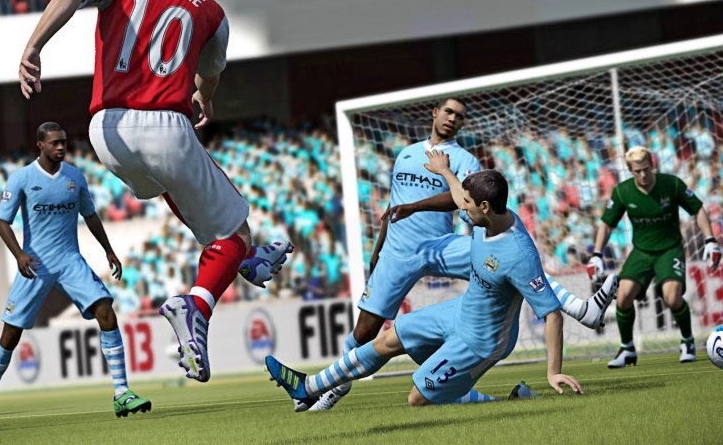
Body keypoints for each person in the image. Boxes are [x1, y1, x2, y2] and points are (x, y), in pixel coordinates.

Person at [16, 0, 291, 384]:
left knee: (168, 185)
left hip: (106, 132)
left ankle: (246, 260)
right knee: (236, 232)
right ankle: (199, 302)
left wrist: (33, 46)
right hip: (164, 124)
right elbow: (210, 73)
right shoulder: (209, 10)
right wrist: (205, 98)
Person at [308, 98, 615, 412]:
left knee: (511, 261)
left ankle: (579, 308)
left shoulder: (464, 159)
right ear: (435, 113)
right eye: (448, 112)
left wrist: (419, 203)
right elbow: (394, 205)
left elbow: (462, 199)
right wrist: (379, 246)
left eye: (460, 116)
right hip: (399, 250)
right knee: (364, 331)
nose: (453, 119)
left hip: (440, 244)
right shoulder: (406, 154)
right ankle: (335, 387)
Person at [267, 167, 583, 408]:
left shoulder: (518, 254)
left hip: (481, 341)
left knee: (417, 398)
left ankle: (508, 402)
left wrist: (553, 372)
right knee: (389, 339)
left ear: (485, 206)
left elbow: (552, 313)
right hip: (459, 312)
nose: (463, 208)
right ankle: (308, 387)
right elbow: (459, 196)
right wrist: (445, 171)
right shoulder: (484, 218)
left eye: (468, 204)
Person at [0, 122, 151, 432]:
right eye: (54, 142)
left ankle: (122, 393)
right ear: (40, 145)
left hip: (70, 260)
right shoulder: (22, 179)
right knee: (10, 335)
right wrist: (20, 255)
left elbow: (90, 215)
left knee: (106, 312)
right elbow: (1, 223)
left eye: (64, 142)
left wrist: (108, 250)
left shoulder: (75, 177)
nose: (61, 147)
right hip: (35, 263)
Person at [589, 146, 721, 368]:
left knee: (672, 297)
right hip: (641, 251)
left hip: (670, 249)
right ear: (630, 171)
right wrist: (596, 254)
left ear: (652, 165)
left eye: (646, 169)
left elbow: (697, 209)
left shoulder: (671, 184)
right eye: (637, 171)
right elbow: (607, 224)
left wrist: (710, 240)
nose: (642, 175)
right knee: (622, 296)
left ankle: (687, 341)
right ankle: (627, 349)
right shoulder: (622, 192)